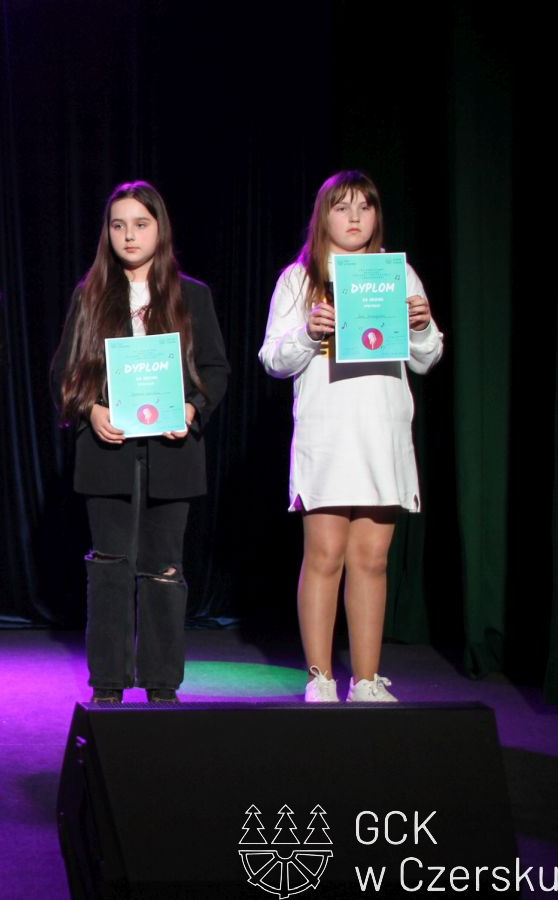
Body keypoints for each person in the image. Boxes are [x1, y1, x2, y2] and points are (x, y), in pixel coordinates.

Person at [259, 170, 442, 703]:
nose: (355, 217)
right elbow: (272, 359)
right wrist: (307, 333)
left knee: (373, 559)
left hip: (382, 430)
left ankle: (366, 680)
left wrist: (421, 327)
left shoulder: (398, 274)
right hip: (329, 433)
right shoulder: (299, 280)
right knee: (325, 555)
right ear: (324, 217)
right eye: (342, 207)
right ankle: (320, 677)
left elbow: (427, 359)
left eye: (365, 206)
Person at [52, 181, 228, 705]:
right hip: (108, 453)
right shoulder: (90, 295)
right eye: (118, 225)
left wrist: (192, 408)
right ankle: (108, 683)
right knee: (109, 566)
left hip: (172, 454)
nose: (129, 235)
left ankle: (161, 684)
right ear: (107, 233)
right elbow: (63, 371)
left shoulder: (192, 295)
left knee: (164, 568)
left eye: (140, 224)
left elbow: (215, 369)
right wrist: (91, 409)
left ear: (160, 229)